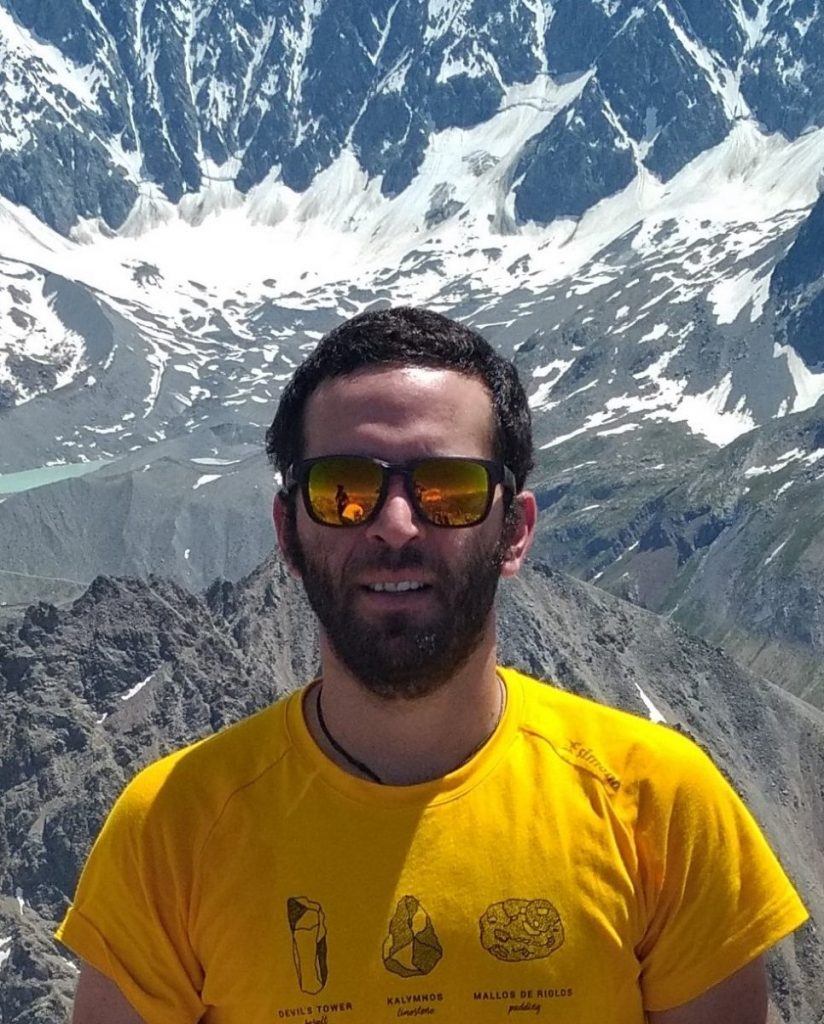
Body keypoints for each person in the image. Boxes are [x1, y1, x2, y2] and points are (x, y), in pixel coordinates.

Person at [57, 307, 807, 1023]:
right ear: (287, 532)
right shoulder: (170, 828)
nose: (395, 525)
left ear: (514, 531)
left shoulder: (661, 806)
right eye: (343, 490)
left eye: (447, 489)